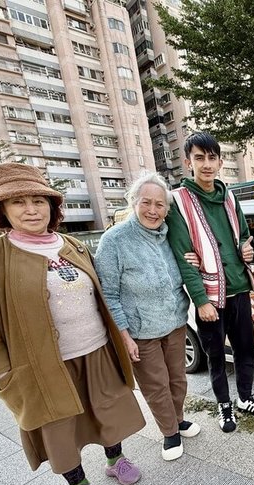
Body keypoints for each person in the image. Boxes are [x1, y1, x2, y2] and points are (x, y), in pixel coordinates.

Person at [0, 162, 145, 485]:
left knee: (108, 412)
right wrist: (3, 375)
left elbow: (101, 297)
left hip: (96, 350)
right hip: (42, 366)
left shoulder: (72, 245)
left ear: (52, 206)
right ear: (1, 212)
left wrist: (120, 336)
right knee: (58, 429)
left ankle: (115, 460)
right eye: (18, 203)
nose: (31, 209)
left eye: (38, 201)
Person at [167, 131, 254, 433]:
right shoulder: (179, 202)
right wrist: (201, 301)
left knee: (246, 350)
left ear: (220, 161)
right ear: (188, 162)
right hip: (211, 297)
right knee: (215, 355)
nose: (206, 164)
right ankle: (224, 406)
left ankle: (245, 398)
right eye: (199, 157)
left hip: (239, 288)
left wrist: (246, 247)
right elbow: (182, 255)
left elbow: (241, 235)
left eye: (212, 157)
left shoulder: (228, 196)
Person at [94, 172, 200, 462]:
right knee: (157, 385)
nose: (153, 210)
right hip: (141, 331)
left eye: (160, 204)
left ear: (167, 209)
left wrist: (193, 259)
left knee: (177, 379)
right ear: (133, 203)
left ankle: (178, 419)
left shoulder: (169, 235)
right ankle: (169, 433)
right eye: (146, 203)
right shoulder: (114, 241)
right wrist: (124, 335)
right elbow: (109, 295)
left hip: (175, 322)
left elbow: (188, 264)